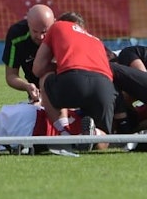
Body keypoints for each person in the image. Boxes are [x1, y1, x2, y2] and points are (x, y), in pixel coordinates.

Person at [33, 11, 116, 147]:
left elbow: (38, 68)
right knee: (104, 137)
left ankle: (64, 132)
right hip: (105, 86)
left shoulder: (58, 26)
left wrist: (58, 66)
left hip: (75, 80)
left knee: (45, 77)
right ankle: (95, 134)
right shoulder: (96, 40)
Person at [2, 4, 55, 103]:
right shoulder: (16, 35)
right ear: (28, 24)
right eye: (35, 31)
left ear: (54, 24)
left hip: (61, 89)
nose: (40, 37)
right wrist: (27, 86)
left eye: (45, 32)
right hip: (36, 95)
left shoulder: (61, 34)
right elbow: (11, 76)